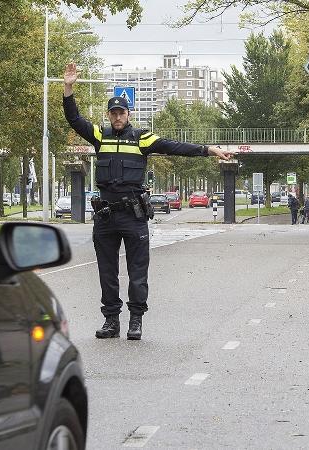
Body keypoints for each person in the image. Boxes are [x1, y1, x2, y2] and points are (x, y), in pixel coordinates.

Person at [63, 62, 233, 340]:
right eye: (113, 113)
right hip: (105, 217)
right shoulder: (98, 135)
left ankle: (136, 320)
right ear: (109, 115)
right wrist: (68, 88)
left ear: (128, 114)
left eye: (121, 113)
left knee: (137, 272)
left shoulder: (142, 138)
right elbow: (74, 119)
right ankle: (111, 321)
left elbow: (174, 146)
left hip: (133, 216)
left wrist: (208, 149)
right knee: (107, 272)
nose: (117, 117)